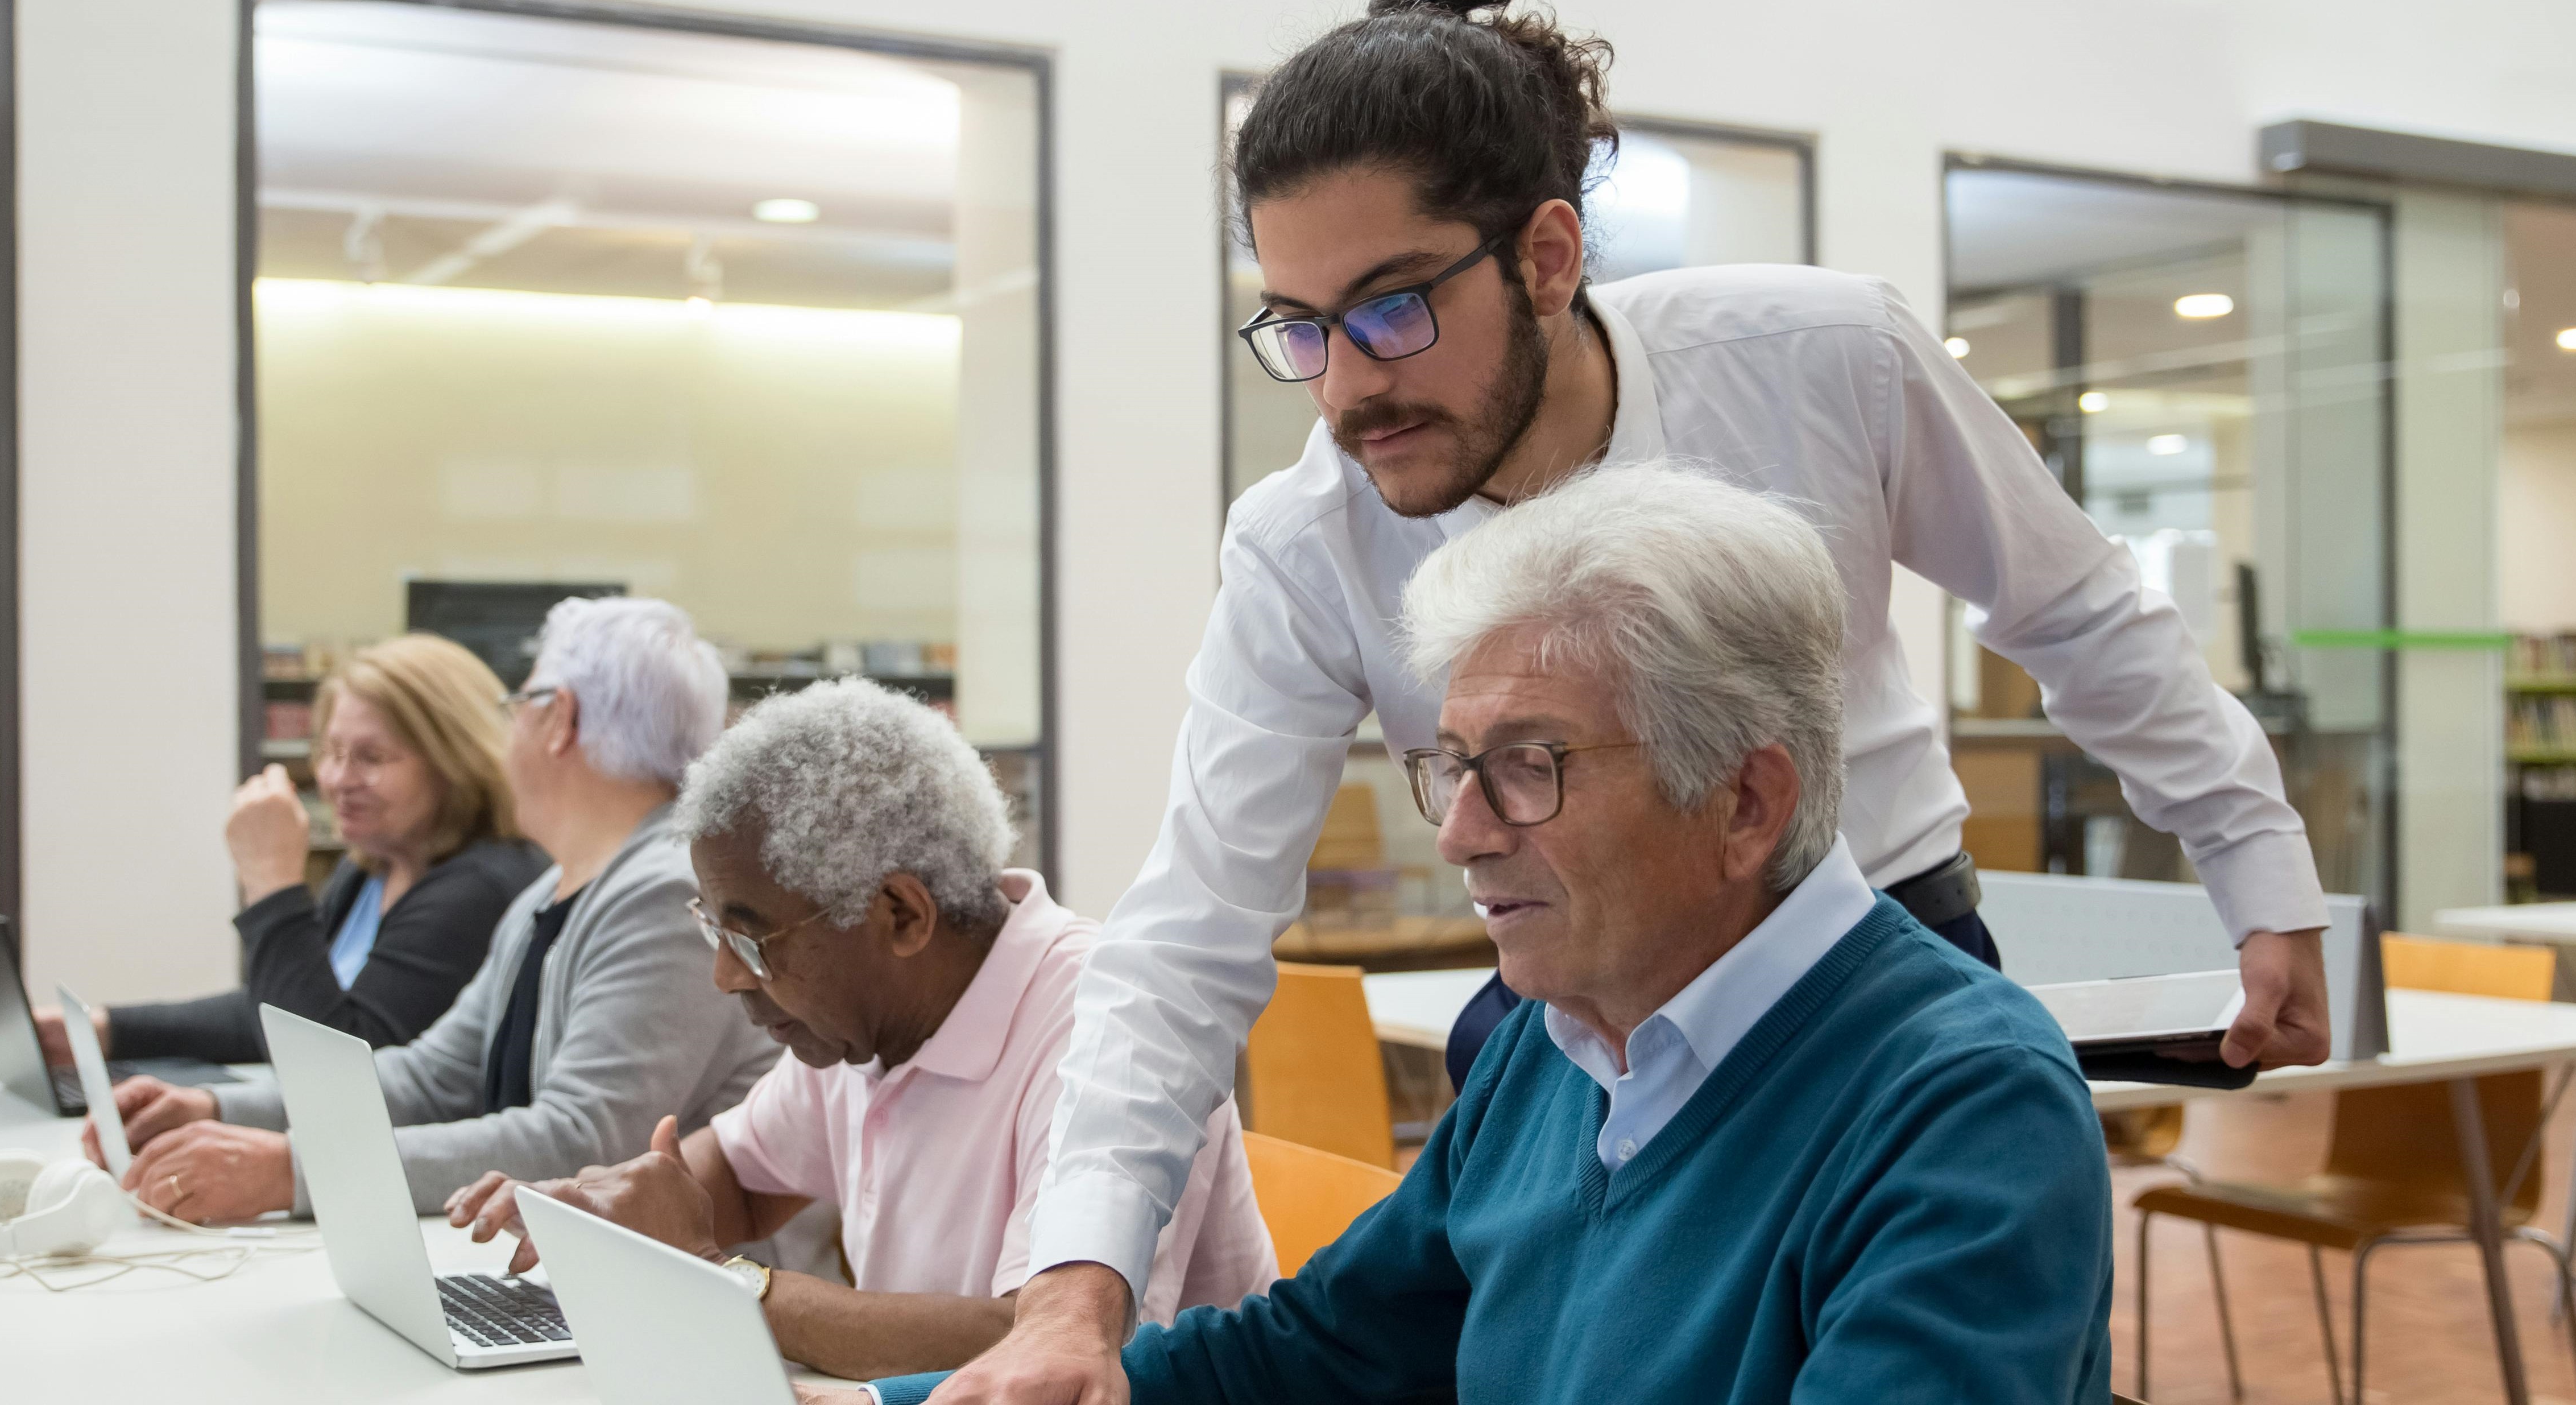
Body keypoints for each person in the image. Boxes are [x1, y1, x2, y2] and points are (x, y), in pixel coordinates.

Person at [946, 6, 2333, 1394]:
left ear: (1545, 257)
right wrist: (1074, 1291)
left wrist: (2258, 873)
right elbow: (1190, 925)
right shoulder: (1304, 537)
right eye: (1301, 328)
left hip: (1870, 965)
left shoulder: (1818, 355)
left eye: (1391, 309)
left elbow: (2071, 611)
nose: (1348, 388)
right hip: (1579, 1002)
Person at [864, 466, 2115, 1404]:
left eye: (1528, 766)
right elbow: (1320, 1352)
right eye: (1454, 766)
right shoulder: (1553, 1045)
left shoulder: (1964, 1104)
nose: (1459, 834)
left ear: (1745, 800)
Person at [445, 679, 1276, 1382]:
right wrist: (600, 1211)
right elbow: (739, 1179)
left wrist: (718, 1277)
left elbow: (1037, 1347)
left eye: (751, 940)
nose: (726, 976)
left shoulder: (1104, 1027)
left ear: (901, 915)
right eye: (712, 930)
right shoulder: (859, 1025)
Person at [94, 598, 826, 1276]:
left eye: (518, 704)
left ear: (557, 718)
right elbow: (433, 1078)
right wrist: (220, 1111)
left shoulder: (665, 893)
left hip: (688, 1305)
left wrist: (291, 1168)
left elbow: (579, 1141)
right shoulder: (552, 890)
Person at [43, 634, 545, 1064]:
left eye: (371, 757)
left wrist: (272, 880)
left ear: (455, 762)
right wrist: (106, 1030)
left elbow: (332, 1060)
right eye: (332, 752)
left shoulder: (479, 889)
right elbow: (281, 1009)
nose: (338, 779)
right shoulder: (371, 869)